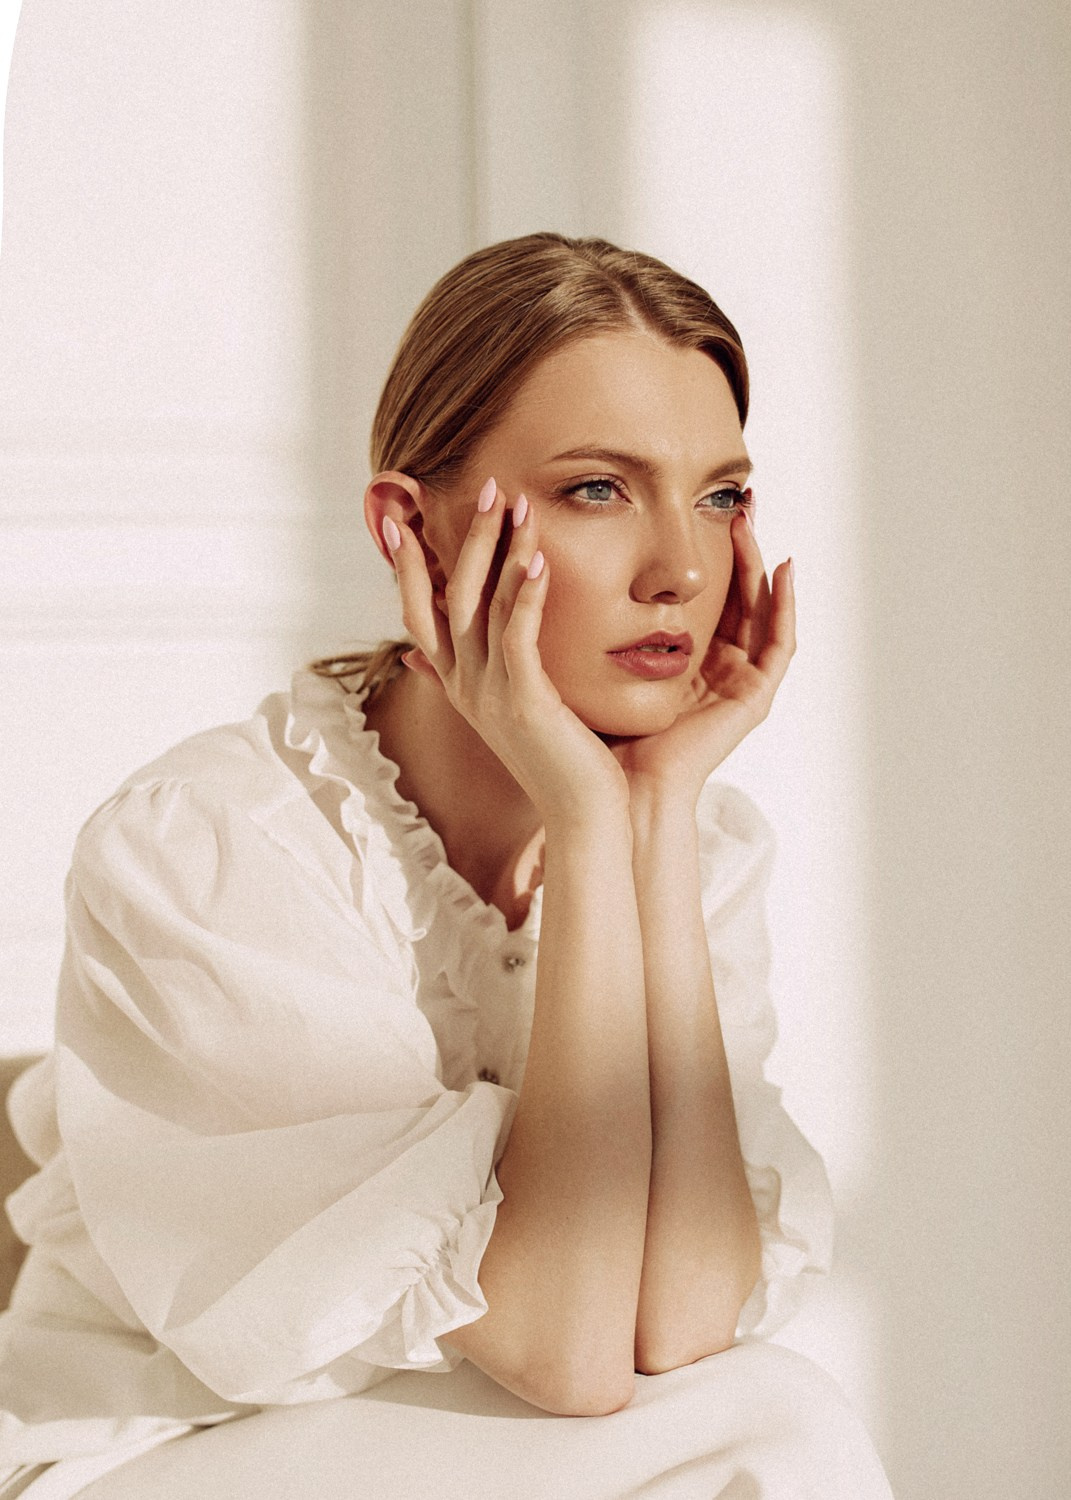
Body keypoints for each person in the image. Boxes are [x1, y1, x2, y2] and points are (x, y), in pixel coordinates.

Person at [0, 234, 893, 1497]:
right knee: (775, 1426)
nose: (684, 571)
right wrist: (586, 818)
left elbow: (686, 1322)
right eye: (601, 490)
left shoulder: (694, 840)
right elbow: (570, 1353)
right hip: (162, 1456)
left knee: (757, 1412)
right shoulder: (209, 851)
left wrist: (643, 818)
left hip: (506, 1450)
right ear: (411, 530)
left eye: (721, 497)